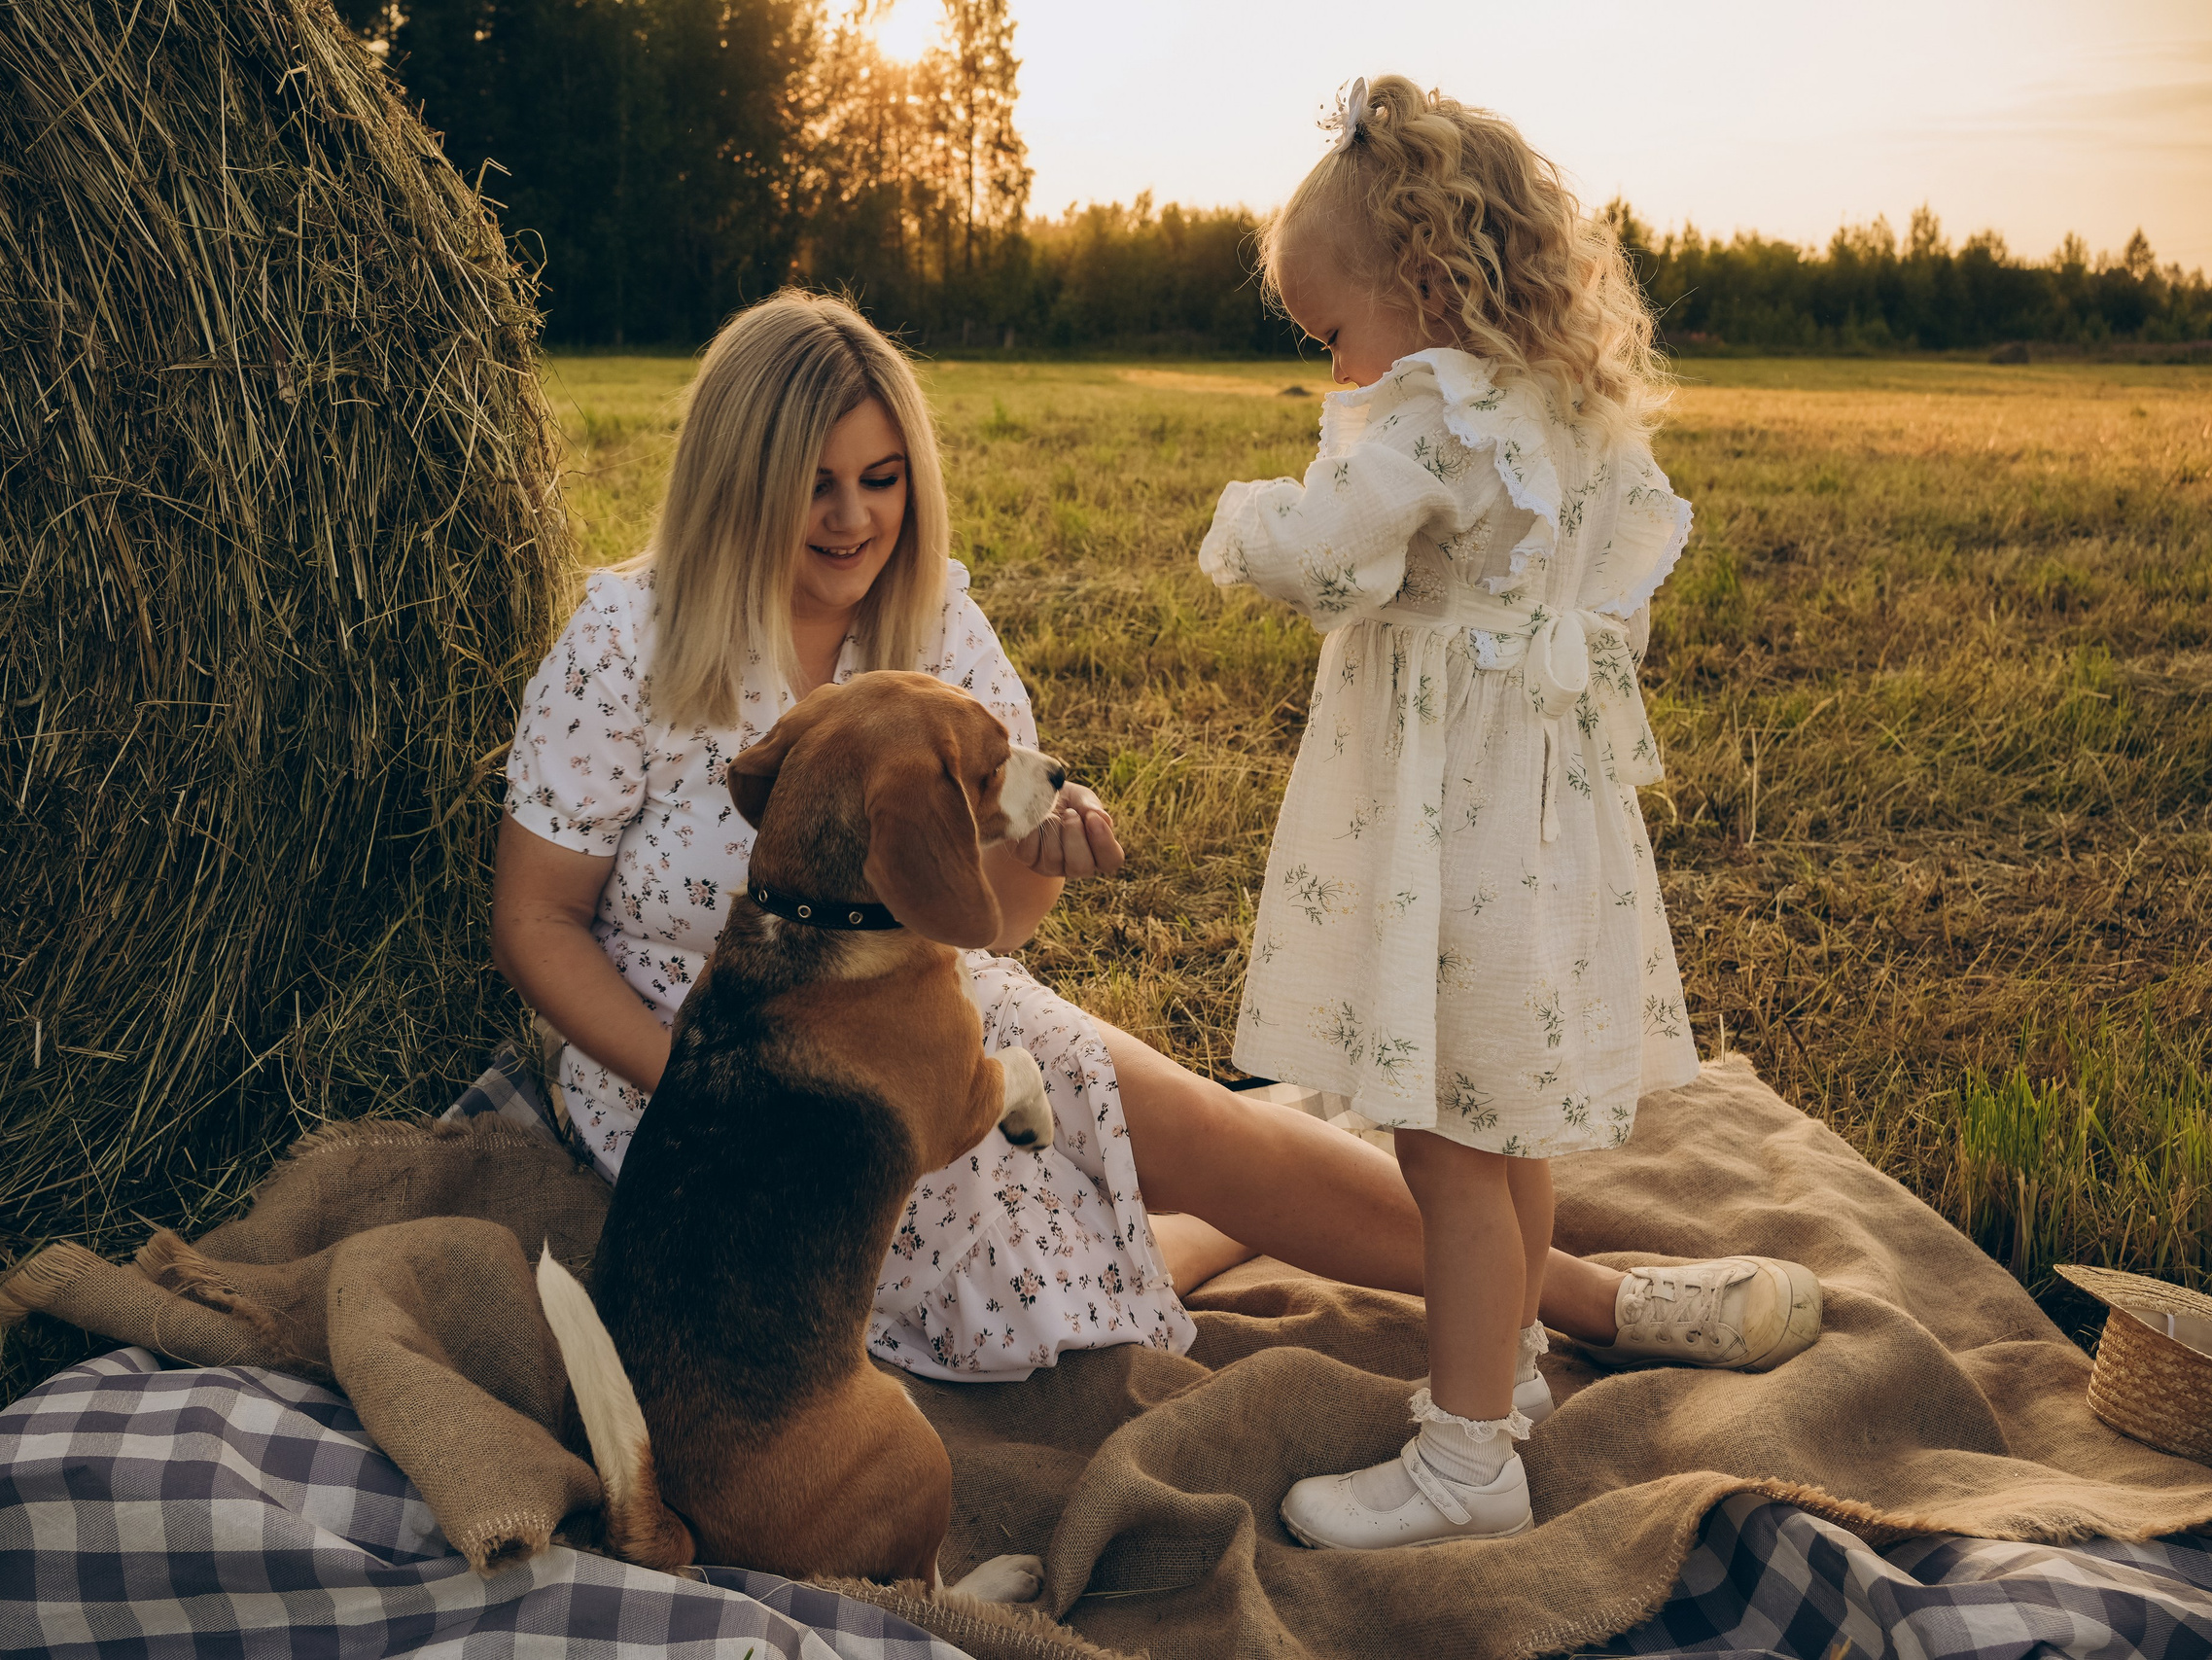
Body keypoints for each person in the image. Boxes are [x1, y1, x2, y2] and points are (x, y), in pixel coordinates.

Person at [489, 288, 1815, 1408]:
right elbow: (538, 924)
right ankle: (1213, 1212)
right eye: (815, 486)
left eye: (881, 480)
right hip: (698, 1058)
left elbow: (988, 929)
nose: (853, 519)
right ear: (738, 483)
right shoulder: (626, 643)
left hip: (927, 1011)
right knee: (1025, 1325)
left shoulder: (929, 614)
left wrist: (1045, 855)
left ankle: (1601, 1297)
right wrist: (706, 1088)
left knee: (1153, 1111)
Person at [1196, 77, 1817, 1551]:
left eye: (1327, 333)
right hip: (1535, 816)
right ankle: (1513, 1369)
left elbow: (1331, 564)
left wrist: (1242, 522)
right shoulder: (1559, 415)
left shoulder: (1424, 414)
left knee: (1450, 1151)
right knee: (1505, 1122)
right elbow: (1619, 583)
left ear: (1418, 289)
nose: (1330, 372)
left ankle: (1467, 1459)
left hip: (1447, 829)